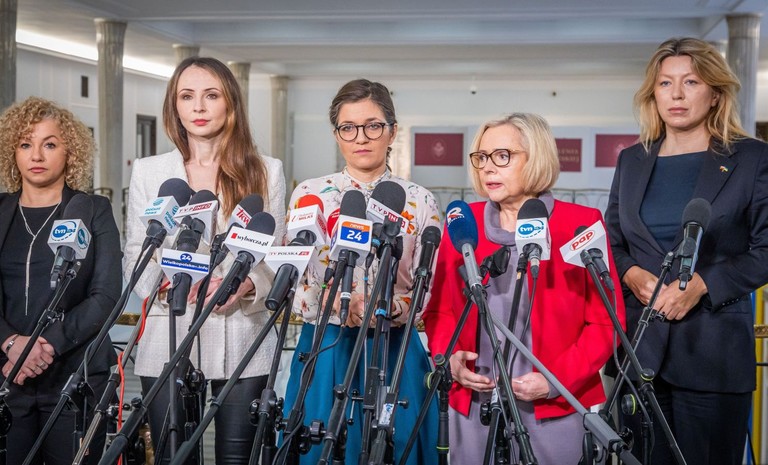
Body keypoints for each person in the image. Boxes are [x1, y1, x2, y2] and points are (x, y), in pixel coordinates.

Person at [422, 113, 624, 464]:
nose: (488, 167)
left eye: (503, 156)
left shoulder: (580, 224)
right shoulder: (463, 224)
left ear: (537, 157)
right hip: (475, 403)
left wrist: (555, 381)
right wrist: (448, 356)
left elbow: (607, 323)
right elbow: (439, 310)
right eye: (482, 157)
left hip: (554, 405)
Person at [605, 37, 768, 465]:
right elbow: (613, 240)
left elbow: (765, 249)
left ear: (715, 93)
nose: (676, 94)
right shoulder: (631, 160)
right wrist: (630, 274)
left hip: (712, 354)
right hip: (640, 352)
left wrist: (701, 285)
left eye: (691, 82)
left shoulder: (752, 158)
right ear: (653, 94)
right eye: (665, 83)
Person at [123, 57, 286, 464]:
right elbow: (137, 254)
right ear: (174, 106)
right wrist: (167, 283)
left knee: (239, 458)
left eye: (211, 95)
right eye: (187, 96)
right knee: (172, 456)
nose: (198, 106)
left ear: (230, 103)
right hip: (168, 332)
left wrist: (244, 285)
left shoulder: (266, 171)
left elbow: (274, 256)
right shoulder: (149, 171)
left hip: (244, 335)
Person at [280, 78, 441, 465]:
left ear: (392, 132)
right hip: (325, 344)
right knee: (318, 448)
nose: (361, 138)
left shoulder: (420, 201)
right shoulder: (309, 195)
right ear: (336, 134)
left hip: (394, 347)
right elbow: (295, 280)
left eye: (373, 126)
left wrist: (393, 306)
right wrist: (335, 303)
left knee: (397, 449)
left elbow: (428, 286)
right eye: (348, 127)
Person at [0, 96, 121, 464]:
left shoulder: (92, 210)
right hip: (7, 376)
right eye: (25, 144)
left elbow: (106, 294)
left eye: (49, 144)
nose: (36, 155)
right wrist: (11, 343)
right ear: (12, 152)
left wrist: (44, 345)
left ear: (70, 152)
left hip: (74, 378)